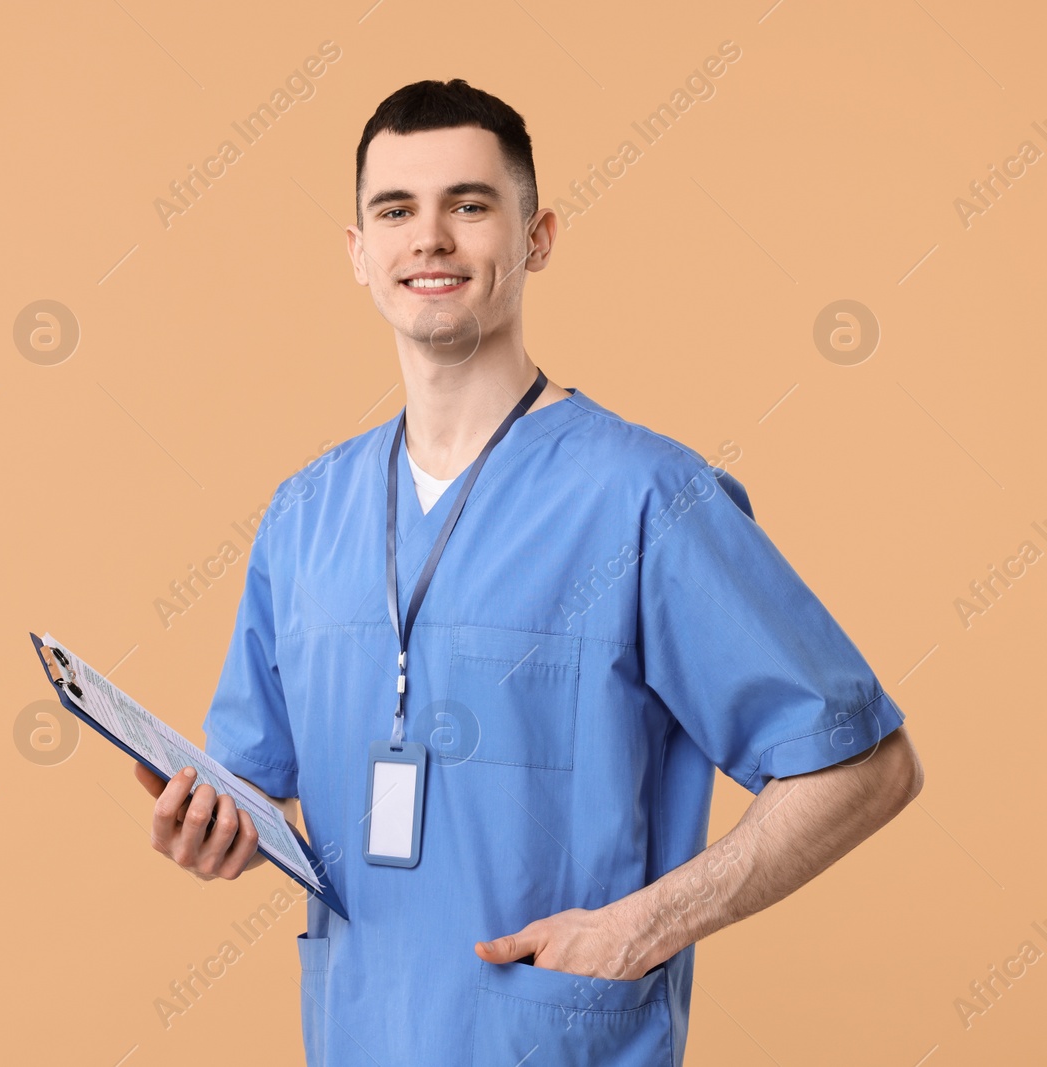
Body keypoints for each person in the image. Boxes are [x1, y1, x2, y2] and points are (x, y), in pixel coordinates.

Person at [133, 78, 923, 1066]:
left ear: (538, 236)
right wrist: (217, 828)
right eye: (395, 211)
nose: (429, 239)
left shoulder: (647, 498)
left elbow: (863, 765)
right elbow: (268, 794)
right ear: (358, 253)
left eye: (468, 205)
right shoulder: (303, 516)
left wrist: (644, 923)